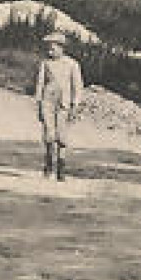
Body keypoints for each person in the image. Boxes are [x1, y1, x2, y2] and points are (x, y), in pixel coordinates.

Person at [34, 30, 84, 181]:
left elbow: (77, 86)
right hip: (47, 102)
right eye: (48, 48)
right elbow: (40, 83)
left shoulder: (72, 64)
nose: (50, 51)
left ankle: (61, 168)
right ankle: (49, 164)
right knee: (49, 134)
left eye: (53, 48)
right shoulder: (45, 63)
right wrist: (39, 103)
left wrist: (75, 104)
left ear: (62, 48)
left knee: (62, 136)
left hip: (64, 104)